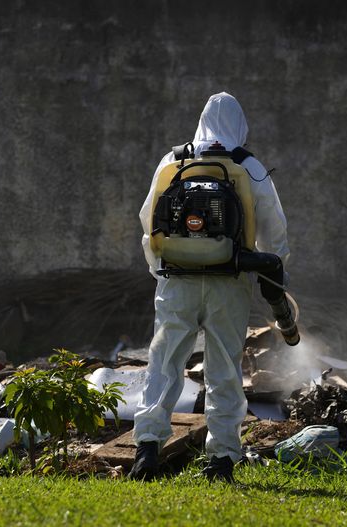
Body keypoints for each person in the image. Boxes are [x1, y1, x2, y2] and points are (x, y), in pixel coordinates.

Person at [130, 92, 290, 482]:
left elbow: (148, 219)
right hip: (229, 282)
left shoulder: (173, 160)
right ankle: (221, 459)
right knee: (224, 371)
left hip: (176, 279)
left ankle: (147, 450)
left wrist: (162, 270)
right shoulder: (247, 166)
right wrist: (269, 272)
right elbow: (275, 231)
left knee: (164, 365)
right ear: (241, 125)